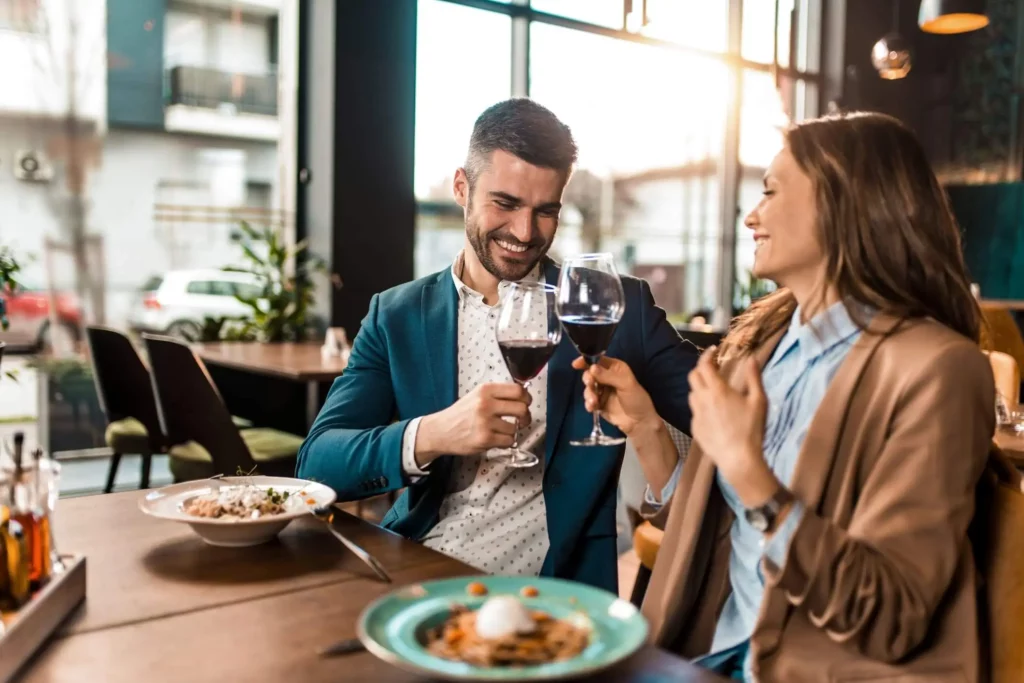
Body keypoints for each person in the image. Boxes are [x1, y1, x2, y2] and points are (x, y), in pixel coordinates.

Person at [580, 112, 994, 681]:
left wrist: (753, 475)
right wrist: (647, 428)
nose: (751, 215)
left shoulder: (939, 369)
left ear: (841, 202)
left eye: (771, 192)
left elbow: (890, 617)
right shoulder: (760, 346)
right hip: (714, 649)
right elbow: (723, 526)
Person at [297, 98, 696, 592]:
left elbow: (727, 410)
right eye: (505, 204)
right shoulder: (396, 314)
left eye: (545, 211)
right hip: (416, 571)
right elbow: (316, 465)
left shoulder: (614, 308)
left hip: (552, 590)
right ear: (462, 188)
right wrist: (433, 433)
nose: (525, 233)